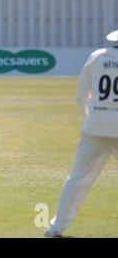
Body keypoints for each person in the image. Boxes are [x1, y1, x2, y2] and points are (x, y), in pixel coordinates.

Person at [44, 28, 118, 237]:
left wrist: (90, 120)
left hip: (94, 128)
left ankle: (56, 228)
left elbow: (80, 97)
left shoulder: (96, 57)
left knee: (77, 180)